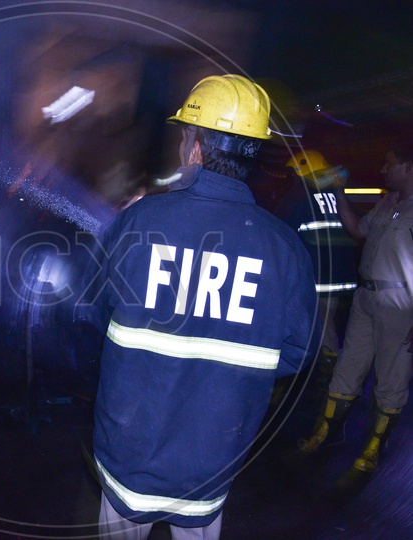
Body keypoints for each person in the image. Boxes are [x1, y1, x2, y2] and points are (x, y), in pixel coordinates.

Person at [77, 74, 319, 539]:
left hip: (129, 459)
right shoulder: (284, 249)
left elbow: (90, 311)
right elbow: (296, 352)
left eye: (186, 134)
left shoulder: (139, 222)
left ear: (195, 148)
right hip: (210, 466)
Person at [297, 140, 413, 482]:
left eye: (389, 163)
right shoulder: (388, 203)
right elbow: (356, 229)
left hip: (401, 305)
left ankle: (373, 449)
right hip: (366, 297)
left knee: (391, 381)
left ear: (409, 167)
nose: (382, 170)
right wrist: (340, 194)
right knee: (347, 370)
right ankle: (324, 434)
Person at [276, 150, 358, 397]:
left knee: (322, 332)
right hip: (343, 281)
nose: (290, 179)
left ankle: (327, 381)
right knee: (326, 327)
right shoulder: (335, 195)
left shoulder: (298, 197)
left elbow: (282, 236)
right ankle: (324, 378)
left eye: (292, 174)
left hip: (318, 281)